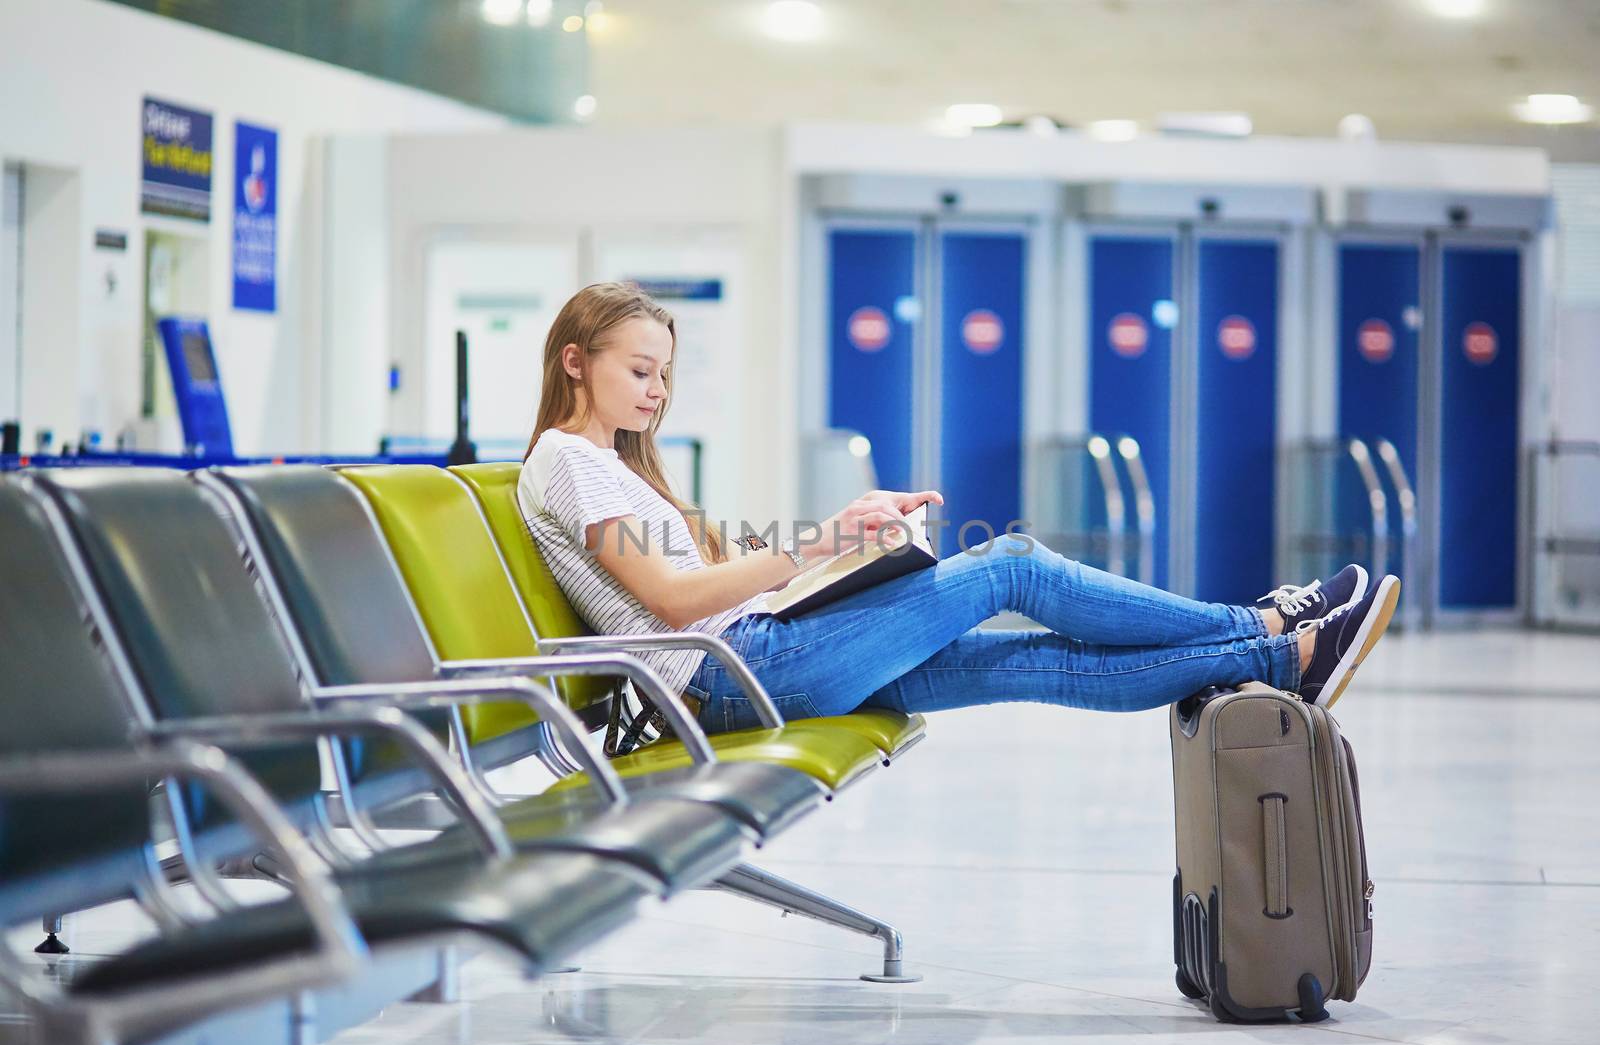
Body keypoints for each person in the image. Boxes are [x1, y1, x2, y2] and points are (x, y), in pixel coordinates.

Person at [518, 283, 1401, 736]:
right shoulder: (565, 459)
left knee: (1035, 662)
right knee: (1010, 563)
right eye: (640, 370)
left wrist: (837, 549)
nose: (657, 390)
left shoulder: (615, 468)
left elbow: (704, 576)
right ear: (573, 362)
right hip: (731, 675)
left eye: (664, 372)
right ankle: (1264, 620)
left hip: (759, 656)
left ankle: (1284, 657)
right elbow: (673, 603)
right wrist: (824, 540)